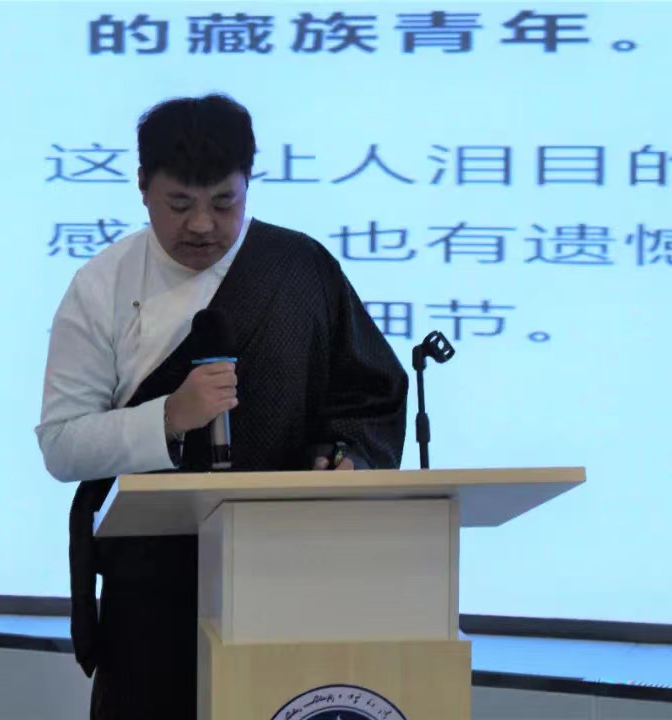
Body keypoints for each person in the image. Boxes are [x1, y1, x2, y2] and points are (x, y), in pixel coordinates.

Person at [35, 93, 407, 720]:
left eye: (224, 203)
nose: (203, 225)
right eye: (180, 205)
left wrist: (352, 459)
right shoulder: (102, 285)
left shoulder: (300, 268)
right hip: (152, 587)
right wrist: (168, 418)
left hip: (293, 572)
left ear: (248, 184)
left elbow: (370, 395)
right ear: (142, 186)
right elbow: (62, 444)